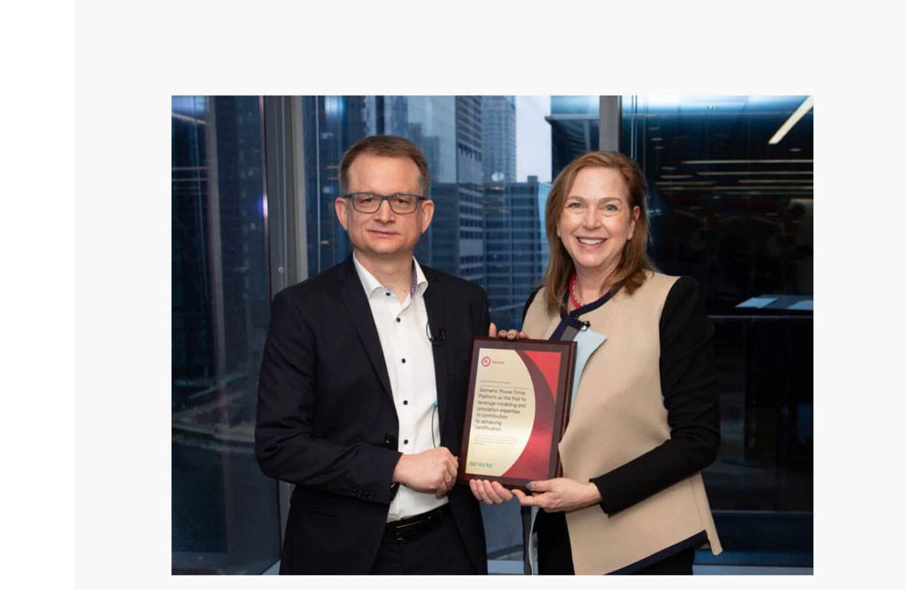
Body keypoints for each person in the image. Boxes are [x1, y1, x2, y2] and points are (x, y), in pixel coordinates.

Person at [469, 151, 722, 575]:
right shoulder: (539, 306)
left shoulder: (671, 300)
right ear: (557, 220)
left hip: (643, 545)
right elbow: (538, 426)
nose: (591, 222)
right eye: (576, 205)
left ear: (633, 222)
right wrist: (492, 455)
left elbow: (698, 440)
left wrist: (592, 492)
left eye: (609, 207)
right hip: (555, 533)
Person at [255, 135, 494, 574]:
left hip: (450, 545)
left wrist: (512, 363)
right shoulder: (301, 309)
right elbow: (279, 447)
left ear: (425, 214)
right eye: (367, 199)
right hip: (338, 552)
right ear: (343, 211)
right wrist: (396, 467)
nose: (384, 214)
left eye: (401, 200)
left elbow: (479, 417)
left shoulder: (466, 302)